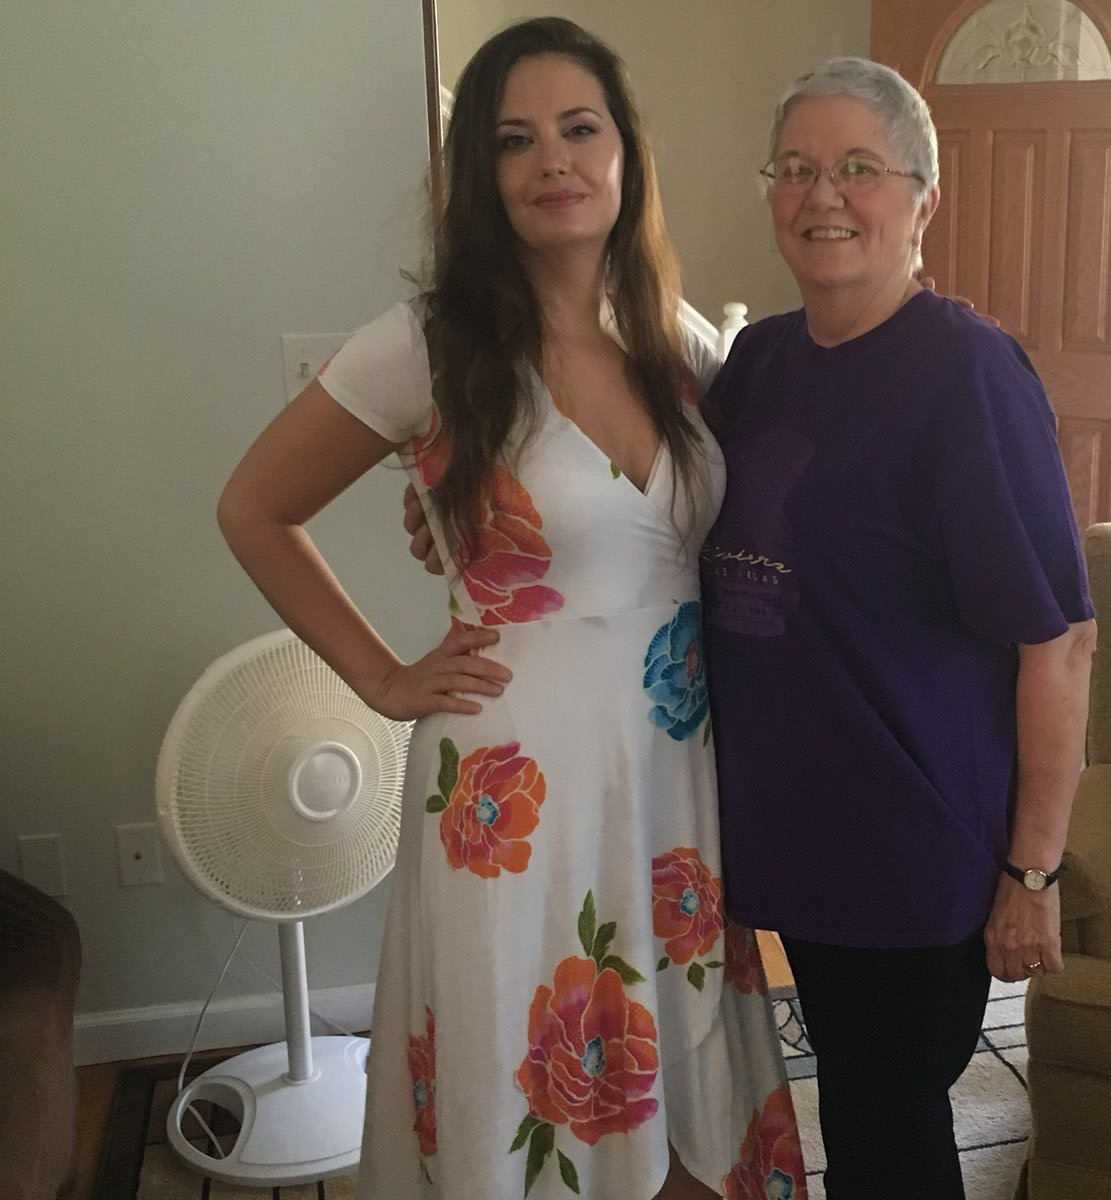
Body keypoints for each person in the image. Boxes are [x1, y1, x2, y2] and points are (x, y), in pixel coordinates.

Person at [409, 54, 1094, 1197]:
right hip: (786, 840)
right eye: (798, 168)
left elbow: (1057, 638)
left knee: (889, 1132)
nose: (825, 196)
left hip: (911, 853)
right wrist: (461, 512)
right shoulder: (760, 364)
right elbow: (635, 504)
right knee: (844, 1105)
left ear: (924, 198)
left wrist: (1034, 866)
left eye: (860, 169)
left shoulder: (969, 375)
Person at [218, 19, 800, 1200]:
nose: (554, 161)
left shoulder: (675, 341)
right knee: (524, 1093)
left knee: (681, 1091)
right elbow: (253, 509)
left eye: (580, 130)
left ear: (626, 153)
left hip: (670, 779)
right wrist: (382, 678)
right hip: (508, 794)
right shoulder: (426, 346)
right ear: (482, 178)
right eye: (515, 141)